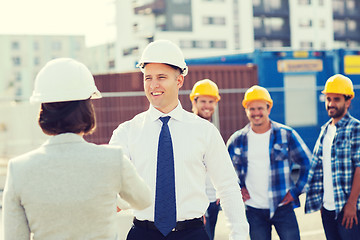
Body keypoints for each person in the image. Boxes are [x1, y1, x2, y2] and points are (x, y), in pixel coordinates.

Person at [109, 39, 249, 240]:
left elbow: (227, 187)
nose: (153, 85)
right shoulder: (127, 132)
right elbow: (110, 184)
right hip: (142, 234)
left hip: (192, 234)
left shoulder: (205, 132)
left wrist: (239, 236)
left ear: (179, 80)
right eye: (148, 78)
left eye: (161, 77)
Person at [2, 58, 151, 240]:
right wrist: (108, 197)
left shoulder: (19, 169)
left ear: (43, 110)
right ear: (87, 109)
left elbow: (14, 236)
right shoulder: (112, 159)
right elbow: (144, 200)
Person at [227, 85, 311, 240]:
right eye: (252, 109)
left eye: (260, 108)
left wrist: (295, 191)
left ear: (268, 109)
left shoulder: (286, 135)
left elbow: (308, 164)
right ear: (246, 110)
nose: (256, 113)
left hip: (283, 207)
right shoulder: (237, 140)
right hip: (254, 210)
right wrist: (238, 188)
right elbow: (224, 171)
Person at [305, 74, 360, 240]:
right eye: (328, 99)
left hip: (348, 209)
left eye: (336, 99)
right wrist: (322, 202)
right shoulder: (325, 130)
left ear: (348, 101)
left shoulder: (355, 128)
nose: (331, 104)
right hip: (328, 209)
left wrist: (351, 204)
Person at [189, 78, 221, 240]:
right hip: (195, 202)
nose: (207, 106)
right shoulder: (187, 129)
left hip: (212, 200)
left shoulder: (211, 130)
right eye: (203, 101)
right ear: (194, 102)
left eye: (211, 101)